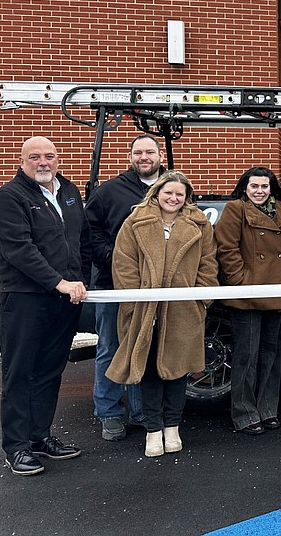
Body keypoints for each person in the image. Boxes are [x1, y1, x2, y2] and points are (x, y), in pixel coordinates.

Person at [0, 136, 91, 476]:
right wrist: (58, 282)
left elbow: (82, 240)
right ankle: (16, 447)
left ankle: (39, 437)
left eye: (49, 156)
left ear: (58, 159)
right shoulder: (9, 198)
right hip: (26, 300)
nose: (43, 162)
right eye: (35, 157)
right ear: (22, 161)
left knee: (49, 371)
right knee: (20, 373)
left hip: (65, 300)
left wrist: (79, 278)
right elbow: (19, 250)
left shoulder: (69, 192)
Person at [106, 171, 218, 458]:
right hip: (145, 310)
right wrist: (133, 302)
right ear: (157, 193)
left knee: (177, 373)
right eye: (168, 192)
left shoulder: (199, 224)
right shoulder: (136, 221)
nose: (174, 198)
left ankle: (173, 428)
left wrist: (201, 301)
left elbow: (208, 265)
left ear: (187, 197)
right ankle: (153, 430)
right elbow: (123, 263)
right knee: (150, 372)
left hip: (183, 311)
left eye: (179, 194)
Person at [84, 134, 162, 441]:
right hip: (113, 285)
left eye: (149, 152)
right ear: (131, 157)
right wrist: (113, 259)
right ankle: (110, 412)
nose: (144, 157)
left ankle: (141, 411)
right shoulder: (110, 191)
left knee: (145, 347)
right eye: (138, 152)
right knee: (111, 349)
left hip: (156, 288)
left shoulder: (171, 189)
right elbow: (89, 232)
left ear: (159, 155)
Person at [216, 167, 281, 436]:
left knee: (271, 355)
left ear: (271, 188)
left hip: (277, 292)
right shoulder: (235, 209)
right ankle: (245, 413)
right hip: (248, 295)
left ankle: (268, 408)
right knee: (246, 357)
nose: (259, 191)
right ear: (245, 188)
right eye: (254, 186)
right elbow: (226, 247)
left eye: (264, 186)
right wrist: (241, 281)